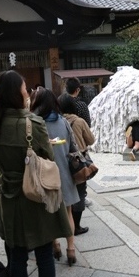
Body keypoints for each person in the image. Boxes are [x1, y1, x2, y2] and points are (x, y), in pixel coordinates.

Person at [0, 70, 71, 277]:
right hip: (35, 195)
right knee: (44, 253)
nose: (27, 95)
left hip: (9, 196)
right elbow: (49, 160)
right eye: (24, 91)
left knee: (16, 255)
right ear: (16, 94)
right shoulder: (33, 124)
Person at [30, 87, 81, 265]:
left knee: (50, 212)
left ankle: (55, 245)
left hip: (45, 174)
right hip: (65, 173)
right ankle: (71, 248)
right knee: (68, 211)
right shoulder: (63, 121)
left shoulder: (36, 124)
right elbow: (74, 147)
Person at [58, 92, 95, 235]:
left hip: (62, 160)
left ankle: (65, 224)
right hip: (78, 162)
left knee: (65, 191)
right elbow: (91, 140)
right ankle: (76, 225)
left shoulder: (57, 121)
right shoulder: (79, 121)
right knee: (80, 192)